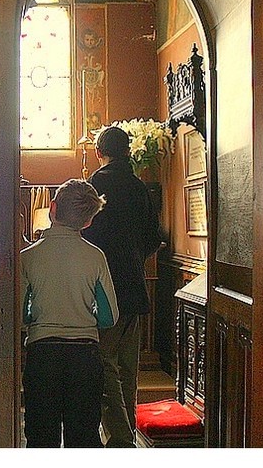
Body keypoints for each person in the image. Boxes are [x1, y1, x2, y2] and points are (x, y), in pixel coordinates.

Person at [20, 179, 118, 448]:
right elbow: (109, 315)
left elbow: (20, 315)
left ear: (52, 209)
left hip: (43, 353)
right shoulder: (95, 256)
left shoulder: (28, 257)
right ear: (88, 222)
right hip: (85, 356)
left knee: (41, 436)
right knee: (84, 435)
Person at [81, 126, 161, 448]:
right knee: (129, 368)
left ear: (100, 152)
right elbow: (153, 237)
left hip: (104, 289)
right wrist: (135, 259)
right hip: (135, 286)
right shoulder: (140, 187)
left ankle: (120, 437)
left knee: (102, 364)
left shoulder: (95, 185)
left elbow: (83, 235)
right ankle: (125, 432)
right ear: (127, 151)